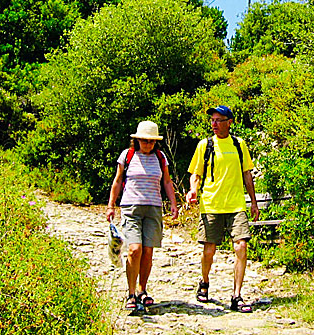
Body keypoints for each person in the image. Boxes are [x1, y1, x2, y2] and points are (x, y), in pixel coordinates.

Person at [186, 105, 260, 312]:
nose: (214, 124)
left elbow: (247, 173)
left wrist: (253, 202)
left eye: (219, 120)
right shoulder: (205, 145)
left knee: (241, 246)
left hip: (236, 204)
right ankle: (204, 281)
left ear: (229, 122)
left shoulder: (239, 144)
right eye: (212, 120)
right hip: (211, 204)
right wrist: (193, 190)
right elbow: (196, 173)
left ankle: (236, 295)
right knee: (209, 250)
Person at [107, 120, 178, 313]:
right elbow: (118, 180)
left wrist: (173, 203)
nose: (147, 144)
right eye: (144, 140)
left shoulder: (160, 157)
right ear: (137, 140)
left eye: (151, 141)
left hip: (153, 207)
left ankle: (142, 290)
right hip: (131, 207)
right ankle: (131, 293)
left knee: (148, 251)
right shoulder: (127, 156)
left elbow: (167, 182)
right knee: (134, 250)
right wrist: (111, 205)